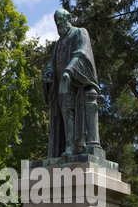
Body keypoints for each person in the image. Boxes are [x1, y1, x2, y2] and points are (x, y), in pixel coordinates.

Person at [42, 9, 102, 158]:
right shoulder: (58, 43)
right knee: (65, 113)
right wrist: (48, 72)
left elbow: (82, 53)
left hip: (77, 82)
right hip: (62, 86)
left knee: (70, 111)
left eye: (61, 20)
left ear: (69, 18)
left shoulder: (80, 33)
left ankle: (73, 147)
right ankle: (69, 147)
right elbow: (52, 63)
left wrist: (69, 71)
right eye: (56, 22)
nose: (58, 24)